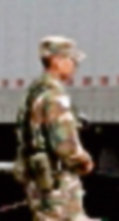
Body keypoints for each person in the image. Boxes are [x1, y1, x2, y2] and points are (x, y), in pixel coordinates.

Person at [15, 37, 94, 221]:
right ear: (57, 61)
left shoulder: (35, 92)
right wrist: (84, 161)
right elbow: (65, 145)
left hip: (40, 180)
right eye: (71, 60)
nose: (74, 66)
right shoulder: (54, 96)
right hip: (58, 183)